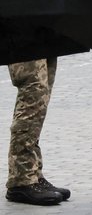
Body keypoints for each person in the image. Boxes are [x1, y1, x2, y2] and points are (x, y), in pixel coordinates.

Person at [5, 58, 70, 205]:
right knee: (33, 94)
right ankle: (21, 179)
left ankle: (34, 174)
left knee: (41, 98)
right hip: (23, 39)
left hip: (43, 37)